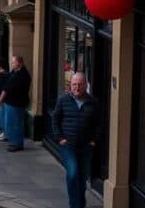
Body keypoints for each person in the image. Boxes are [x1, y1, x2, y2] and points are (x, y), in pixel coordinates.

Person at [51, 72, 100, 208]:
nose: (76, 88)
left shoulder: (93, 102)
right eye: (74, 84)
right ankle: (75, 205)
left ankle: (80, 203)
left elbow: (99, 123)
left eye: (79, 85)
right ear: (70, 85)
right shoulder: (63, 100)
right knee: (73, 174)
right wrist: (59, 138)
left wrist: (94, 140)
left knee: (82, 177)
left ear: (85, 85)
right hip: (68, 145)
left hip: (86, 146)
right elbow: (55, 119)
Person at [0, 55, 32, 152]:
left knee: (15, 123)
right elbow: (8, 81)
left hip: (16, 103)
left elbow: (8, 87)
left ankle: (16, 143)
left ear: (19, 63)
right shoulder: (15, 72)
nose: (12, 64)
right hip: (13, 102)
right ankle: (15, 142)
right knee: (14, 123)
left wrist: (0, 99)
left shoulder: (22, 75)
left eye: (13, 62)